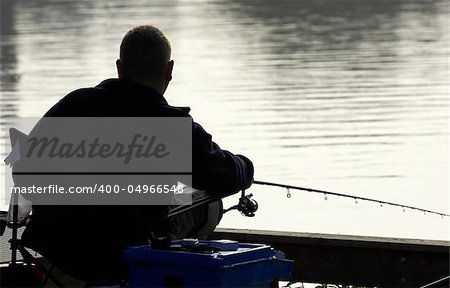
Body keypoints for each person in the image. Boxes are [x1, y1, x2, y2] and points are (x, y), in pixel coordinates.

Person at [20, 25, 254, 282]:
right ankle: (162, 275)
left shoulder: (73, 105)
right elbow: (225, 176)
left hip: (60, 255)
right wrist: (245, 165)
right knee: (209, 203)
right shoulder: (172, 126)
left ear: (120, 68)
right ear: (169, 70)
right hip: (126, 257)